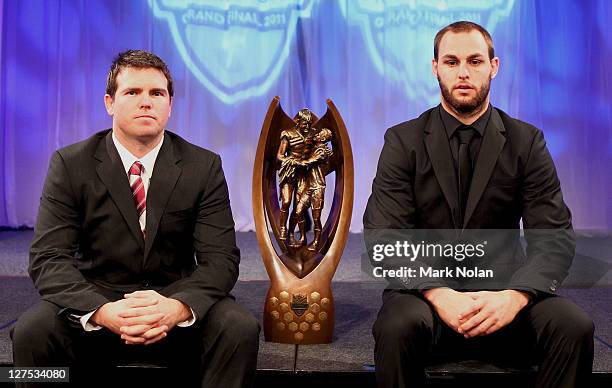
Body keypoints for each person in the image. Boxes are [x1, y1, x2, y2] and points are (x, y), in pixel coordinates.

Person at [364, 21, 594, 388]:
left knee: (574, 326)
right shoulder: (403, 141)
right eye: (452, 62)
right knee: (396, 326)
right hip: (425, 300)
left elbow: (553, 237)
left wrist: (515, 296)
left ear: (494, 66)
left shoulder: (526, 142)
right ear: (435, 67)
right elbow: (384, 235)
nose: (464, 72)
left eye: (475, 61)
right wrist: (439, 293)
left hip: (504, 298)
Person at [11, 50, 259, 387]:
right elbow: (47, 259)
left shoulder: (203, 166)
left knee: (239, 328)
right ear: (109, 103)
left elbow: (221, 260)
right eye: (132, 92)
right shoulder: (71, 164)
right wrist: (102, 311)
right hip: (97, 307)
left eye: (157, 93)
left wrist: (177, 307)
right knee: (31, 332)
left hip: (172, 305)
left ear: (170, 105)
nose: (146, 102)